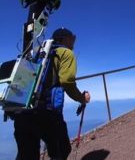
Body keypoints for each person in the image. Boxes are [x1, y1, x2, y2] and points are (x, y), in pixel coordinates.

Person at [13, 27, 90, 160]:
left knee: (27, 156)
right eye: (72, 38)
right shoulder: (66, 53)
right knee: (62, 150)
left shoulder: (37, 53)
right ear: (64, 39)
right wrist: (82, 98)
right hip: (47, 114)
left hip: (22, 112)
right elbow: (66, 81)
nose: (74, 41)